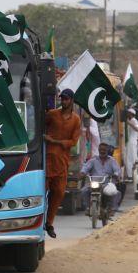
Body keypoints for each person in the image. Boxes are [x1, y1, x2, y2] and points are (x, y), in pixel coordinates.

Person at [44, 88, 81, 238]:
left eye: (66, 99)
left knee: (58, 193)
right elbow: (41, 125)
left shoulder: (76, 120)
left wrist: (55, 141)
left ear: (71, 100)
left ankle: (49, 223)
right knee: (42, 191)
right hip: (47, 160)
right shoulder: (52, 114)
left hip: (62, 162)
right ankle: (39, 219)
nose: (63, 101)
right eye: (62, 99)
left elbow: (73, 141)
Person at [80, 143, 122, 216]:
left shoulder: (112, 160)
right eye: (100, 150)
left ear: (107, 150)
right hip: (94, 183)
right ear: (98, 150)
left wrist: (116, 175)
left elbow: (117, 170)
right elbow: (85, 168)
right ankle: (87, 208)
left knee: (116, 193)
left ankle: (112, 209)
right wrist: (82, 173)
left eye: (104, 150)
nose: (102, 151)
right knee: (84, 190)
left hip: (107, 184)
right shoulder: (93, 160)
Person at [125, 108, 138, 181]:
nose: (127, 114)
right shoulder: (130, 120)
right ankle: (130, 175)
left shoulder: (134, 120)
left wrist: (129, 123)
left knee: (132, 158)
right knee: (129, 158)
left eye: (128, 113)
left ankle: (131, 176)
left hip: (132, 142)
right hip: (130, 142)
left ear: (131, 114)